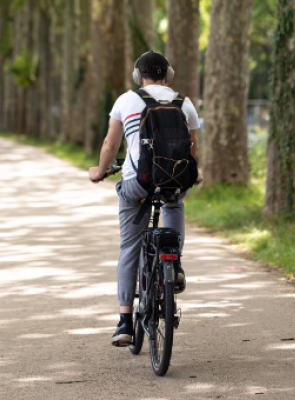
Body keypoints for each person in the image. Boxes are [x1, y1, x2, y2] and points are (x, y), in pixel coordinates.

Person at [88, 51, 201, 347]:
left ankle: (125, 321)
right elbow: (193, 152)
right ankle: (173, 263)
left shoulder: (126, 100)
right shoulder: (183, 102)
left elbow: (111, 144)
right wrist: (196, 174)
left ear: (139, 76)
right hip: (173, 180)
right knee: (174, 201)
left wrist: (99, 171)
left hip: (137, 184)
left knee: (129, 247)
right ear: (169, 74)